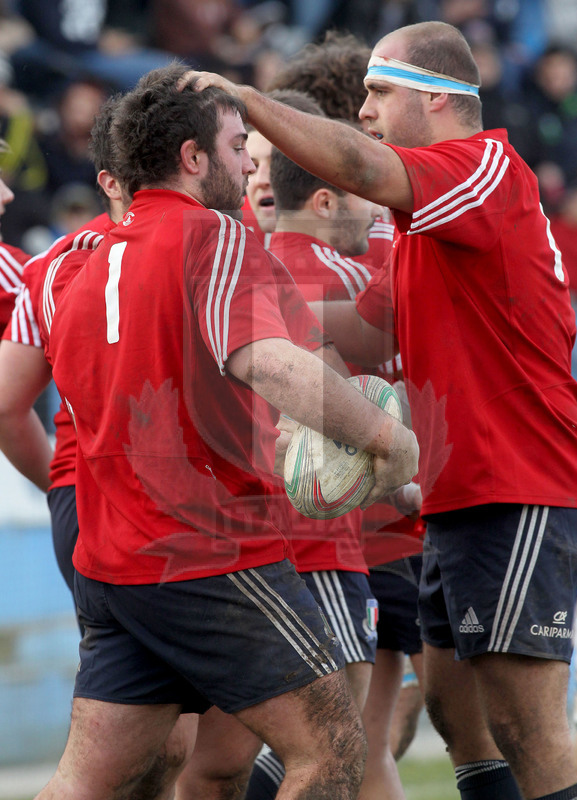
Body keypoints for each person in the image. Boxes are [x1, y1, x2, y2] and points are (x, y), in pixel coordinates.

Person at [187, 18, 577, 800]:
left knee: (525, 724)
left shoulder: (482, 167)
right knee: (454, 715)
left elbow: (362, 164)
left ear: (438, 102)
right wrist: (215, 301)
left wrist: (247, 101)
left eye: (378, 92)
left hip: (512, 479)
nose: (362, 110)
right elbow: (359, 332)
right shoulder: (424, 224)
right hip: (455, 492)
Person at [34, 63, 418, 800]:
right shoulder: (213, 236)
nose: (251, 164)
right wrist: (387, 441)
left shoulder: (76, 265)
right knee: (335, 749)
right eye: (241, 144)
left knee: (86, 782)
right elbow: (274, 367)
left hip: (112, 562)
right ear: (192, 157)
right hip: (206, 552)